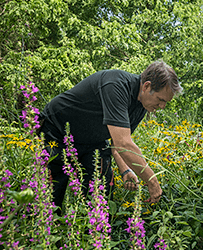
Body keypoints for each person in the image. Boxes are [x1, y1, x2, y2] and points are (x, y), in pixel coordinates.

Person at [39, 60, 183, 215]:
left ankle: (94, 236)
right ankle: (47, 233)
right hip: (57, 130)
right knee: (51, 194)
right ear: (146, 86)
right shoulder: (116, 85)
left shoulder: (143, 105)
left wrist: (125, 170)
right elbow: (124, 144)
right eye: (161, 100)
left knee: (101, 188)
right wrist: (152, 181)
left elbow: (117, 141)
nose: (162, 107)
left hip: (92, 140)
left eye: (165, 103)